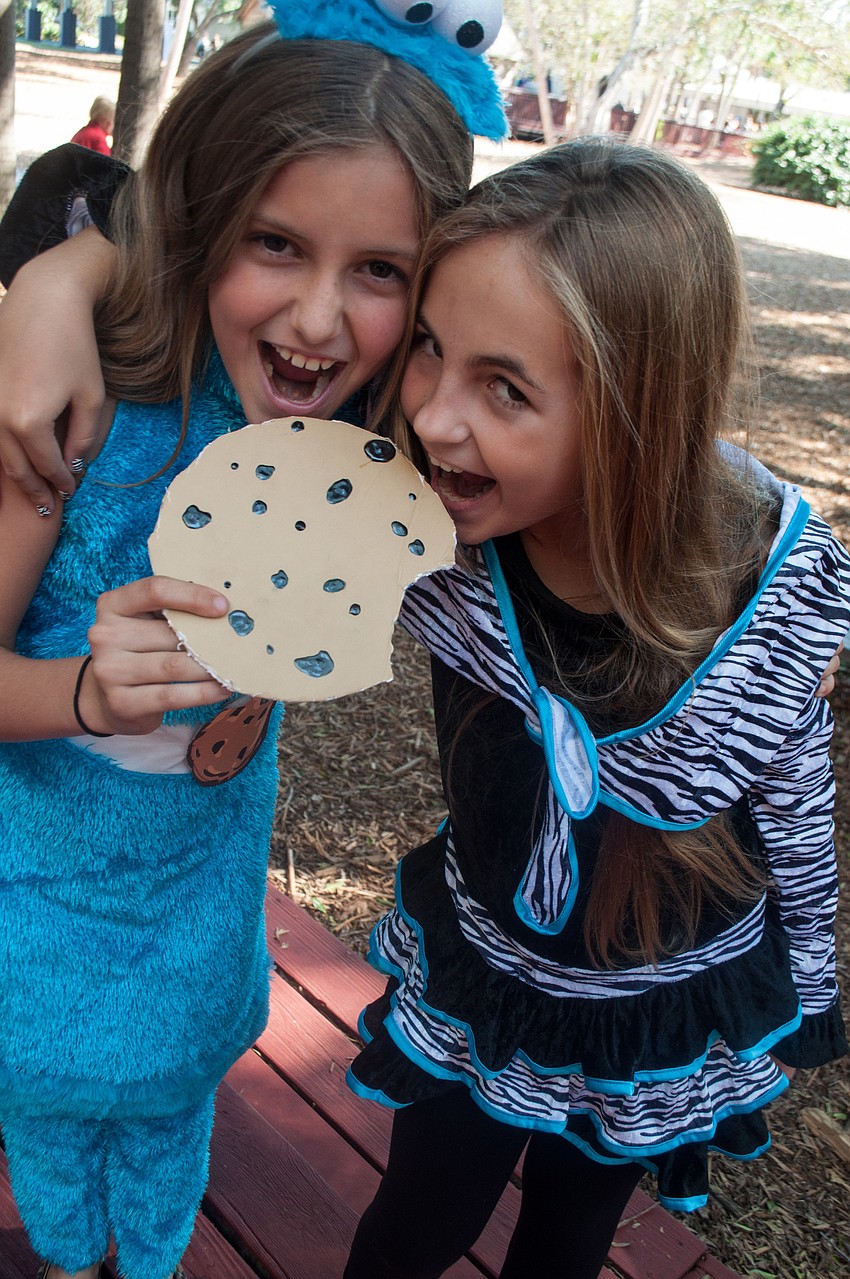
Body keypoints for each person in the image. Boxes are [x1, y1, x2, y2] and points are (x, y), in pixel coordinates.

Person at [0, 7, 504, 1276]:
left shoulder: (377, 450)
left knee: (172, 1127)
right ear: (204, 220)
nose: (321, 322)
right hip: (35, 928)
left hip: (200, 925)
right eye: (274, 243)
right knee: (57, 1156)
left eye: (381, 271)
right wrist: (76, 690)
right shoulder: (74, 413)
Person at [340, 139, 850, 1279]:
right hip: (488, 967)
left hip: (653, 1004)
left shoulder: (753, 611)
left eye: (504, 387)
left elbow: (796, 801)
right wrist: (61, 282)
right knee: (416, 1215)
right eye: (430, 347)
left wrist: (811, 981)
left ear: (634, 411)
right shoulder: (422, 529)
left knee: (567, 1238)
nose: (432, 417)